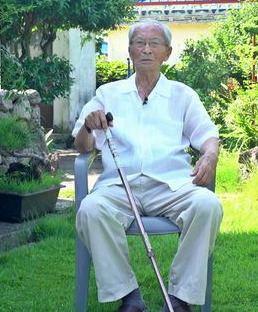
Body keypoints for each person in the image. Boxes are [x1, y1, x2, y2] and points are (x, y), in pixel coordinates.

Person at [73, 19, 223, 312]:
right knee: (91, 209)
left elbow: (207, 135)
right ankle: (129, 297)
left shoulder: (182, 94)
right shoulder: (108, 93)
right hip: (119, 185)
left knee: (207, 205)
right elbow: (82, 146)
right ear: (130, 50)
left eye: (154, 44)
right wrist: (88, 127)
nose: (146, 50)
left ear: (167, 53)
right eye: (140, 43)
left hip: (171, 185)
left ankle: (179, 299)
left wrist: (210, 155)